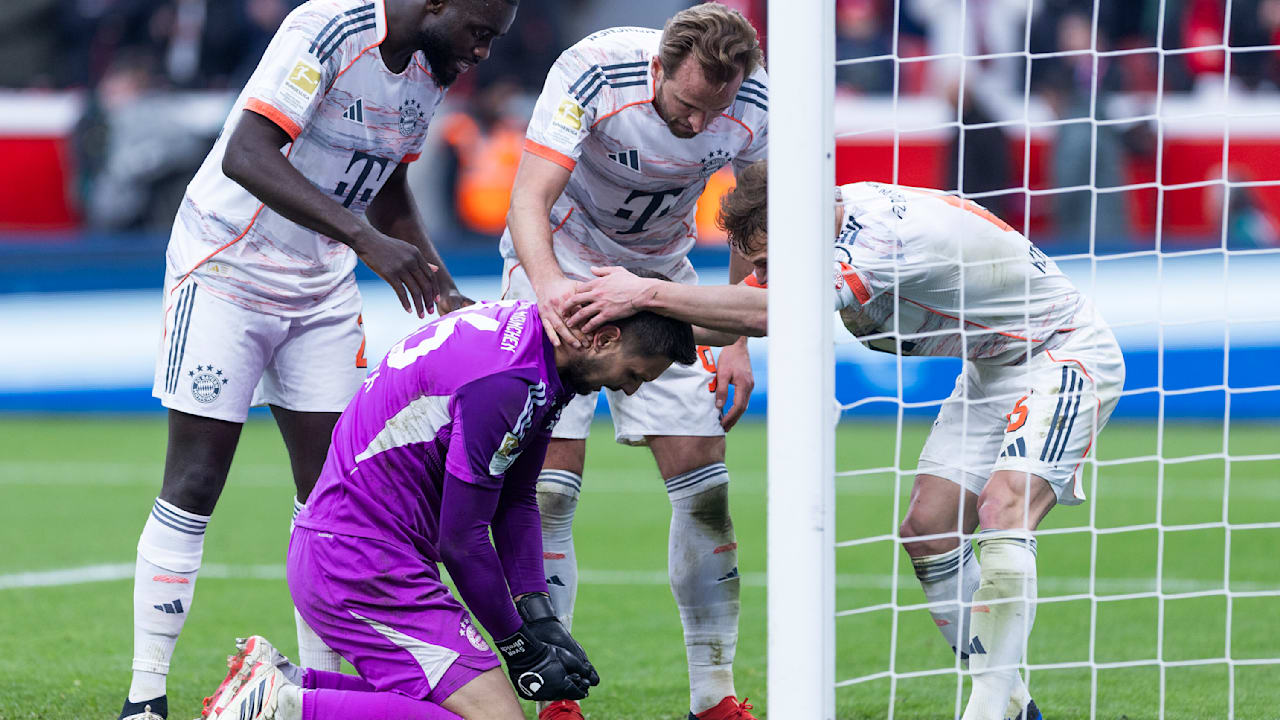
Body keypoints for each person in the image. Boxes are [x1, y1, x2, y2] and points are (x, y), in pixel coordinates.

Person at [564, 159, 1127, 720]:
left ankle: (986, 711)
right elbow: (743, 314)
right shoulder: (821, 223)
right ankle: (1016, 707)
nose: (763, 274)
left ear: (799, 226)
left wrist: (647, 293)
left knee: (1004, 509)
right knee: (929, 532)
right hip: (992, 367)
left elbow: (769, 314)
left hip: (1063, 351)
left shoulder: (883, 237)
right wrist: (622, 311)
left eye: (766, 262)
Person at [120, 2, 518, 719]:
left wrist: (441, 284)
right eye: (480, 31)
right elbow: (246, 153)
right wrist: (366, 242)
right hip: (226, 268)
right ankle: (145, 695)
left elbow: (387, 179)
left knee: (335, 500)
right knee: (196, 478)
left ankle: (312, 693)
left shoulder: (429, 68)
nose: (483, 52)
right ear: (436, 3)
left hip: (321, 283)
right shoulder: (327, 28)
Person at [198, 298, 697, 720]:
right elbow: (461, 540)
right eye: (633, 374)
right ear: (604, 338)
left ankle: (285, 682)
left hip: (363, 554)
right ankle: (286, 708)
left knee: (466, 705)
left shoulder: (541, 353)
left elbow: (517, 499)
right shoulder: (509, 379)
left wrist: (539, 617)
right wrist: (517, 645)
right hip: (360, 566)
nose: (630, 388)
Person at [501, 5, 767, 719]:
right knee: (547, 494)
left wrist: (735, 336)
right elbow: (529, 196)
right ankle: (556, 699)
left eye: (713, 110)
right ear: (656, 70)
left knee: (706, 491)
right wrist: (552, 292)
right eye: (684, 105)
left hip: (660, 279)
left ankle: (715, 699)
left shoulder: (755, 102)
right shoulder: (593, 69)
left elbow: (751, 213)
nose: (696, 126)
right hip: (560, 266)